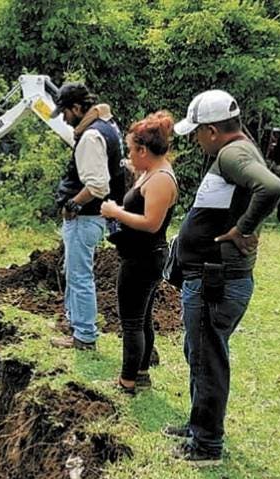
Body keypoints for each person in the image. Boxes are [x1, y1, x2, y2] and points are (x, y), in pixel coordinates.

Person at [168, 90, 280, 465]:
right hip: (213, 276)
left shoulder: (232, 153)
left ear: (213, 130)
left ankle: (206, 446)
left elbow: (272, 187)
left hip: (215, 279)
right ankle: (196, 425)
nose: (197, 140)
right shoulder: (241, 149)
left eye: (199, 133)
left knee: (208, 358)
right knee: (200, 353)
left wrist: (242, 228)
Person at [100, 111, 179, 394]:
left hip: (143, 258)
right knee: (142, 318)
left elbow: (151, 223)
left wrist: (116, 212)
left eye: (132, 150)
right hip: (140, 255)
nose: (130, 156)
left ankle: (127, 382)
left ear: (144, 150)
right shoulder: (151, 173)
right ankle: (141, 373)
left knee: (131, 321)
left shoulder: (161, 180)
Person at [51, 82, 126, 352]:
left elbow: (98, 185)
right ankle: (74, 322)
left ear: (77, 108)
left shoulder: (92, 136)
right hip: (93, 217)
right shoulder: (108, 127)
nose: (64, 120)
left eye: (65, 113)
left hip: (86, 217)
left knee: (80, 275)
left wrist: (72, 204)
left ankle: (84, 335)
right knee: (74, 272)